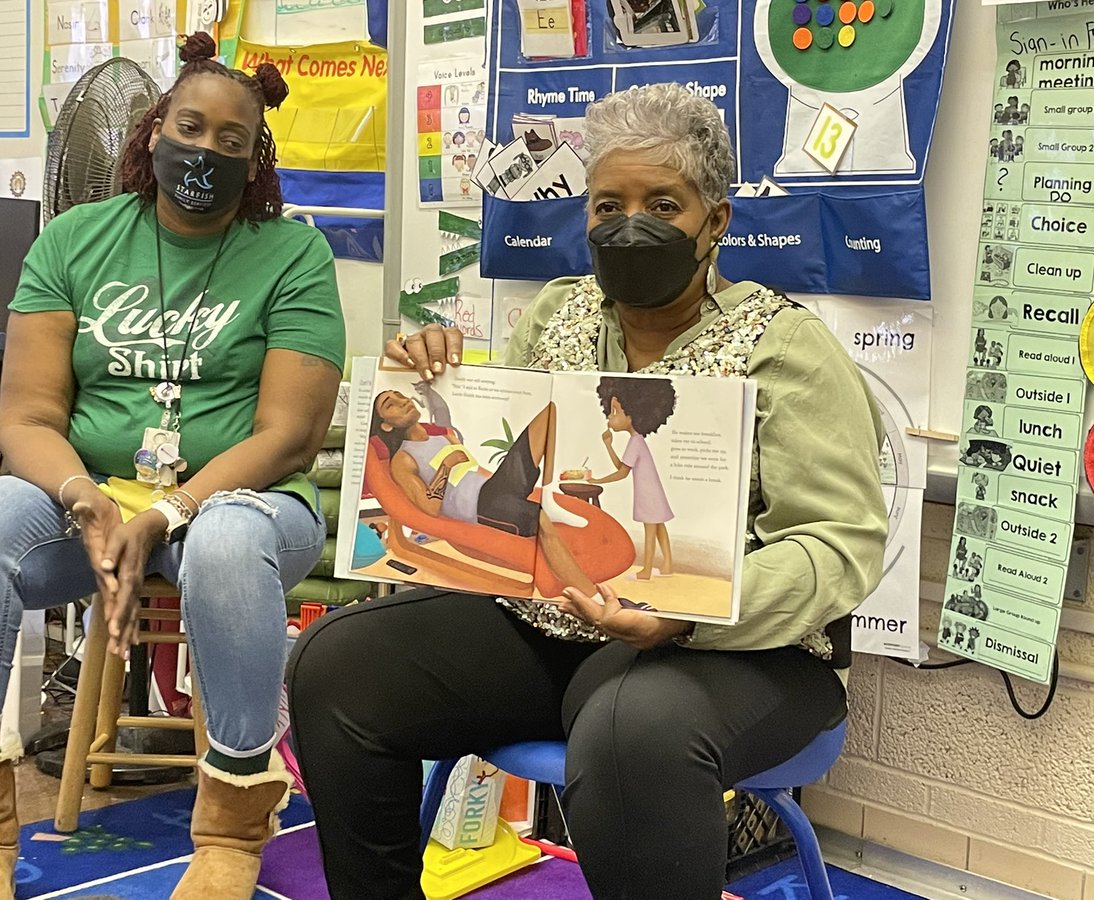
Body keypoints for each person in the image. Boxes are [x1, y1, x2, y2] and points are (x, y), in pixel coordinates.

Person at [286, 82, 887, 900]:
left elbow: (839, 544)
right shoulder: (557, 315)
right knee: (340, 663)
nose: (629, 226)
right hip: (560, 623)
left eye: (663, 204)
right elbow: (510, 473)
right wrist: (438, 375)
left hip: (749, 656)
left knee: (627, 725)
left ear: (716, 221)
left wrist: (691, 611)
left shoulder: (786, 348)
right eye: (608, 205)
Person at [0, 33, 344, 900]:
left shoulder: (295, 254)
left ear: (256, 157)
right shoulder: (76, 238)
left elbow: (289, 437)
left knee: (226, 543)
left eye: (234, 141)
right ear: (153, 131)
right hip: (94, 498)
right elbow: (28, 415)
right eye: (190, 127)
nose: (207, 151)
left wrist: (171, 510)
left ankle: (230, 833)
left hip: (248, 501)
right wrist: (82, 497)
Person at [369, 390, 595, 590]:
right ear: (386, 425)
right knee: (541, 519)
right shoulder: (403, 459)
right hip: (480, 506)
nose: (402, 401)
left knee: (548, 413)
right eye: (390, 404)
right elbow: (429, 508)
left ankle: (548, 497)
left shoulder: (444, 436)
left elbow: (471, 470)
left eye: (399, 395)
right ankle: (592, 596)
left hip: (492, 486)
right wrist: (445, 467)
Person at [588, 376, 676, 579]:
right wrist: (608, 445)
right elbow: (622, 466)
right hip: (653, 491)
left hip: (647, 494)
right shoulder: (637, 441)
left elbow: (621, 473)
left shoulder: (635, 443)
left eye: (615, 411)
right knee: (659, 525)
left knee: (651, 529)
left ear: (633, 414)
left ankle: (646, 570)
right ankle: (668, 565)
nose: (610, 418)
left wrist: (597, 481)